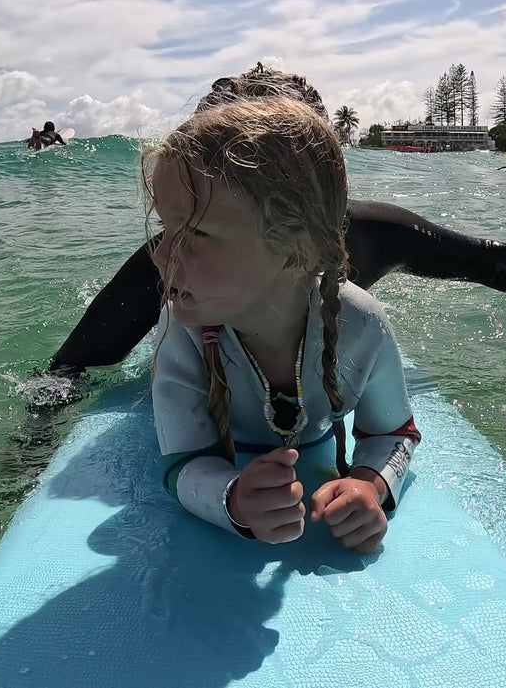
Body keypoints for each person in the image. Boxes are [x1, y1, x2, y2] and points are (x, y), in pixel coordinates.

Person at [48, 65, 506, 377]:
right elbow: (68, 369)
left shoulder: (364, 235)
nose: (180, 244)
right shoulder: (173, 260)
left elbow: (483, 259)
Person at [149, 97, 419, 552]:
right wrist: (232, 499)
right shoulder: (184, 329)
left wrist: (369, 485)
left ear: (296, 253)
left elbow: (393, 432)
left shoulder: (362, 324)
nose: (159, 255)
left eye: (195, 233)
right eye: (166, 229)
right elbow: (184, 459)